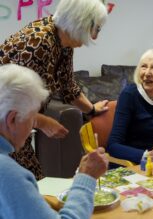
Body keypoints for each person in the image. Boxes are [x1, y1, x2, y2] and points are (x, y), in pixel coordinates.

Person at [0, 0, 109, 180]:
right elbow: (14, 105)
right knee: (26, 182)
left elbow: (68, 85)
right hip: (6, 127)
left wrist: (91, 110)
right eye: (95, 28)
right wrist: (43, 122)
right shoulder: (38, 43)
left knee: (31, 181)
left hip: (15, 125)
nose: (95, 36)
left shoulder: (63, 39)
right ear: (80, 21)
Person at [0, 64, 108, 218]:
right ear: (12, 119)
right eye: (33, 118)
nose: (32, 126)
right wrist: (86, 177)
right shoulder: (8, 174)